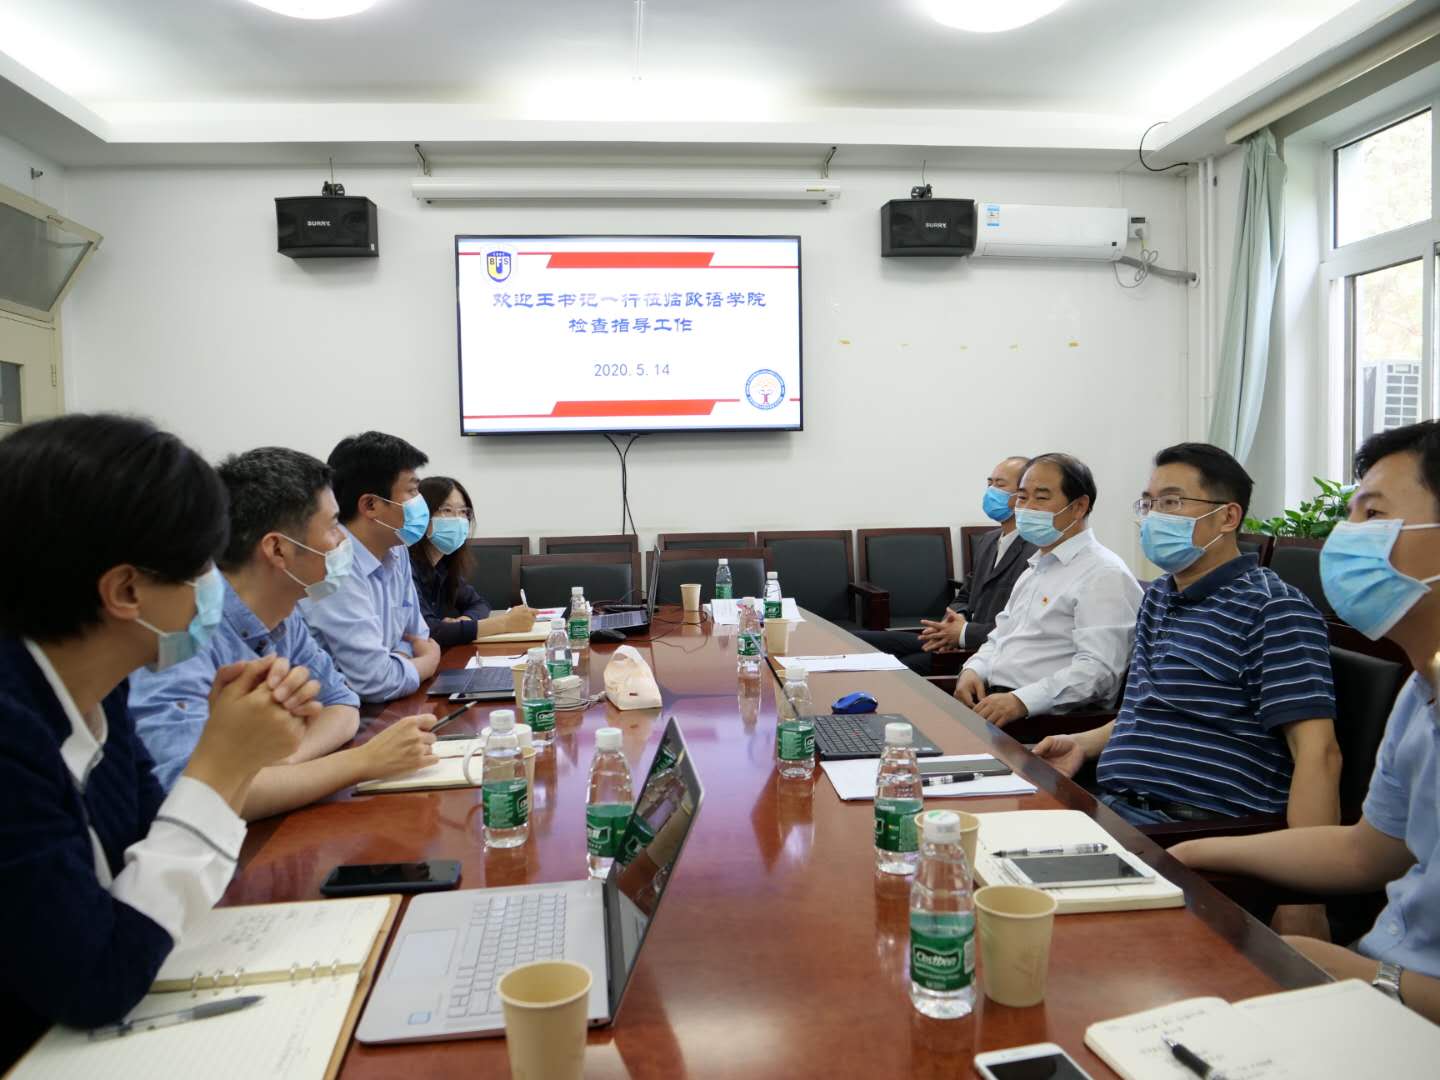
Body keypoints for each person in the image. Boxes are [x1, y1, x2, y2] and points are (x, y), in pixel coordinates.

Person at [0, 415, 312, 1066]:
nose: (214, 587)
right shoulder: (12, 733)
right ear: (125, 590)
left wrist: (233, 754)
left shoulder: (99, 690)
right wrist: (222, 765)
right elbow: (94, 981)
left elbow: (145, 846)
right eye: (201, 566)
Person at [1170, 421, 1440, 1024]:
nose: (1346, 537)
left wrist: (1364, 976)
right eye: (1351, 514)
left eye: (1374, 515)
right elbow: (1366, 852)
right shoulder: (1421, 689)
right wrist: (1190, 853)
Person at [129, 447, 440, 820]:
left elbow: (342, 704)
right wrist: (362, 761)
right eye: (333, 525)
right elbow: (193, 796)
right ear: (277, 549)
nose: (343, 540)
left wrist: (286, 763)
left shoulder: (285, 612)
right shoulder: (183, 632)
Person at [955, 452, 1142, 725]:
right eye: (1022, 497)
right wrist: (973, 669)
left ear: (1079, 507)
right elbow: (1000, 637)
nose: (1027, 508)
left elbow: (1098, 672)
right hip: (994, 703)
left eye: (1041, 498)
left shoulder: (1104, 574)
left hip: (1047, 722)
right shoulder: (1036, 568)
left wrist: (1022, 701)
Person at [854, 456, 1036, 673]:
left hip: (986, 652)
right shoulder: (988, 540)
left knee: (895, 670)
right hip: (957, 638)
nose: (991, 491)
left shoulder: (1035, 551)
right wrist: (954, 622)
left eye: (1000, 485)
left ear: (1022, 495)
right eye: (989, 484)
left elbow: (1020, 627)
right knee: (857, 641)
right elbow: (965, 596)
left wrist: (963, 633)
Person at [300, 431, 441, 703]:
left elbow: (417, 636)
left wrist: (397, 660)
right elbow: (375, 681)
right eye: (412, 491)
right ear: (371, 505)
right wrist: (427, 663)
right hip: (334, 710)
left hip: (381, 705)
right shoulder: (334, 563)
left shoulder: (396, 547)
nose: (420, 501)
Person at [410, 476, 536, 648]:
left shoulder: (443, 564)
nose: (458, 519)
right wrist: (504, 623)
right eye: (447, 510)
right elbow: (429, 631)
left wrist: (465, 620)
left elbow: (478, 604)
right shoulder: (405, 566)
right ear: (422, 515)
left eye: (463, 512)